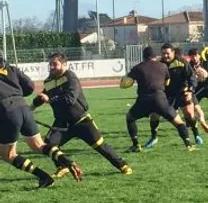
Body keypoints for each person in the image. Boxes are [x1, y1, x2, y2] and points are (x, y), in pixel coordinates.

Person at [32, 52, 132, 177]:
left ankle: (122, 165)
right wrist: (30, 108)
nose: (51, 67)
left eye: (55, 64)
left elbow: (70, 99)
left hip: (80, 120)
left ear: (64, 64)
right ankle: (62, 166)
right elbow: (43, 96)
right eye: (50, 64)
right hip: (62, 122)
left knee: (100, 145)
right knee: (49, 144)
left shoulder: (70, 77)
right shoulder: (48, 81)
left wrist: (50, 100)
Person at [0, 51, 82, 188]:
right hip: (23, 108)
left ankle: (44, 177)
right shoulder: (11, 69)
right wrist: (17, 94)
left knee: (8, 155)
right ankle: (66, 160)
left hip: (7, 110)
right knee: (39, 145)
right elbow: (30, 86)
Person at [120, 46, 194, 151]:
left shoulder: (138, 67)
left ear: (144, 57)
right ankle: (188, 144)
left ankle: (136, 144)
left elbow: (125, 83)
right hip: (160, 98)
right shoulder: (163, 66)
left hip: (144, 99)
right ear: (155, 56)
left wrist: (127, 81)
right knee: (178, 122)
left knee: (130, 118)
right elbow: (167, 81)